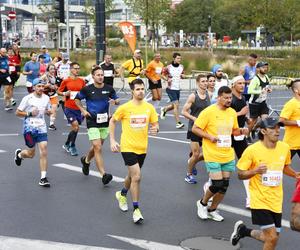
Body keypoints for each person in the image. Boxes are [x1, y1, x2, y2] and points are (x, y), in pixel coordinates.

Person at [230, 117, 300, 249]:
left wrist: (295, 174)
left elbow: (284, 166)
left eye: (278, 127)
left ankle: (243, 231)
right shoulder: (252, 150)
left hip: (276, 199)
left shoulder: (284, 148)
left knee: (270, 238)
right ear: (263, 131)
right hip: (259, 199)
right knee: (272, 237)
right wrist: (255, 171)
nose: (277, 131)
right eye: (273, 128)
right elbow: (240, 174)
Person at [192, 86, 248, 221]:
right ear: (219, 97)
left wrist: (241, 131)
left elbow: (233, 131)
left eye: (230, 98)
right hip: (212, 154)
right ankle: (202, 203)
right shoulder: (208, 112)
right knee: (217, 184)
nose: (229, 100)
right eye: (226, 98)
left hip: (227, 154)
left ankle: (212, 210)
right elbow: (195, 128)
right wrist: (209, 137)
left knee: (224, 186)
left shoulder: (232, 112)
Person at [109, 78, 159, 224]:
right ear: (132, 91)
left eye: (142, 89)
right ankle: (136, 209)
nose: (140, 91)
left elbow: (155, 123)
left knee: (131, 176)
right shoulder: (125, 107)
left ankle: (122, 194)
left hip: (142, 147)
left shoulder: (149, 108)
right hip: (127, 147)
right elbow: (112, 120)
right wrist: (112, 140)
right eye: (137, 89)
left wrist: (156, 128)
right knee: (137, 176)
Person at [75, 66, 119, 185]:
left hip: (105, 121)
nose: (100, 77)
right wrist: (83, 111)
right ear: (93, 76)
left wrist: (115, 101)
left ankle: (86, 160)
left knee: (96, 147)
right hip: (92, 120)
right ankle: (103, 175)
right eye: (98, 75)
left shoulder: (109, 88)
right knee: (97, 147)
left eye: (102, 75)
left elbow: (117, 100)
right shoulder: (87, 89)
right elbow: (77, 100)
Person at [14, 78, 52, 187]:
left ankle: (43, 178)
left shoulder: (46, 98)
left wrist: (49, 112)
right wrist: (29, 114)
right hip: (29, 129)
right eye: (38, 86)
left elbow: (48, 111)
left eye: (42, 86)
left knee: (44, 150)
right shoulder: (27, 98)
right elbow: (17, 112)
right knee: (31, 154)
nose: (41, 88)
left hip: (41, 128)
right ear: (34, 87)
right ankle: (20, 154)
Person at [181, 74, 210, 184]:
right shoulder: (193, 96)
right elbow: (183, 111)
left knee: (206, 153)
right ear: (198, 83)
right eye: (203, 81)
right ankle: (188, 175)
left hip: (205, 129)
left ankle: (191, 161)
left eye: (206, 81)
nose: (205, 83)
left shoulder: (207, 94)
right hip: (194, 128)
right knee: (197, 153)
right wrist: (195, 118)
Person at [57, 62, 85, 156]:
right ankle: (72, 146)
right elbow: (59, 91)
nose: (77, 70)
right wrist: (65, 94)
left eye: (78, 68)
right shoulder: (66, 81)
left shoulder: (81, 81)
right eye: (75, 68)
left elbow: (85, 92)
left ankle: (66, 144)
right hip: (69, 107)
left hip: (79, 107)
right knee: (76, 126)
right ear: (71, 69)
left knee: (75, 128)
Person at [230, 76, 250, 208]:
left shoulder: (242, 98)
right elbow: (224, 117)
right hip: (227, 135)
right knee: (223, 166)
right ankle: (209, 186)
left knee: (246, 166)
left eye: (243, 83)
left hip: (239, 135)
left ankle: (250, 197)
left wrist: (246, 119)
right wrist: (240, 113)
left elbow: (242, 115)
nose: (242, 85)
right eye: (239, 83)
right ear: (233, 85)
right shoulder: (229, 99)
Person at [160, 52, 185, 129]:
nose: (179, 60)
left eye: (180, 58)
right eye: (178, 58)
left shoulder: (181, 67)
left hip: (178, 88)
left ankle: (164, 109)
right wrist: (167, 79)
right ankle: (178, 123)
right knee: (176, 105)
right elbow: (161, 74)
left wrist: (183, 76)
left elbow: (183, 75)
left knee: (174, 105)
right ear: (174, 59)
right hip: (170, 89)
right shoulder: (168, 67)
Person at [248, 62, 271, 141]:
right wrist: (260, 91)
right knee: (253, 121)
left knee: (265, 119)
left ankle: (254, 129)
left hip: (263, 102)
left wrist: (268, 89)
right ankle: (247, 136)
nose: (265, 68)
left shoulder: (267, 77)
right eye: (263, 67)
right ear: (258, 69)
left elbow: (266, 87)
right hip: (254, 103)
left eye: (266, 67)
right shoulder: (255, 79)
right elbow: (249, 90)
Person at [279, 79, 300, 159]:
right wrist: (297, 122)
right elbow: (281, 121)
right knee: (281, 166)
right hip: (291, 143)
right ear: (296, 90)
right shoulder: (291, 104)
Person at [41, 63, 59, 130]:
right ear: (48, 69)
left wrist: (55, 87)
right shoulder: (45, 76)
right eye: (51, 69)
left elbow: (56, 85)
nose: (53, 70)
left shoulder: (55, 75)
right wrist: (46, 85)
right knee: (45, 110)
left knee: (54, 109)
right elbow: (38, 83)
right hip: (45, 95)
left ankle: (51, 124)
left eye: (53, 69)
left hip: (53, 94)